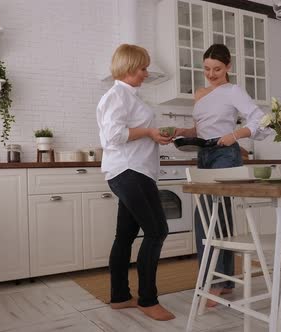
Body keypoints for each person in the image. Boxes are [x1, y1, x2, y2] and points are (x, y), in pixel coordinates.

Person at [174, 44, 271, 306]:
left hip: (226, 155)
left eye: (217, 69)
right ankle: (224, 281)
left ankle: (213, 284)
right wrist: (180, 131)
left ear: (228, 67)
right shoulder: (200, 94)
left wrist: (235, 136)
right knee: (219, 219)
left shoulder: (233, 91)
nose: (211, 73)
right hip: (205, 155)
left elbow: (261, 121)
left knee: (208, 217)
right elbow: (202, 128)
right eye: (206, 68)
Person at [96, 44, 175, 321]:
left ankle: (119, 297)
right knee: (157, 231)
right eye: (143, 68)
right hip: (129, 171)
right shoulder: (117, 96)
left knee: (126, 236)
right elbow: (113, 136)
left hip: (134, 170)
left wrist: (155, 134)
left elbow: (134, 132)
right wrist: (150, 132)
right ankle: (148, 300)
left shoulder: (129, 96)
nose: (146, 73)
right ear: (129, 68)